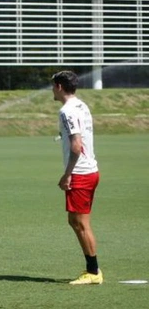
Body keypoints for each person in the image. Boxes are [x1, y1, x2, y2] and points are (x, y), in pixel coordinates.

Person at [52, 71, 102, 285]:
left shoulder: (67, 110)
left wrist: (67, 174)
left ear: (60, 87)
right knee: (76, 221)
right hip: (89, 170)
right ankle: (92, 269)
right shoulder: (81, 105)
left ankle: (93, 271)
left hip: (81, 173)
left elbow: (76, 145)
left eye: (53, 86)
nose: (52, 90)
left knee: (80, 223)